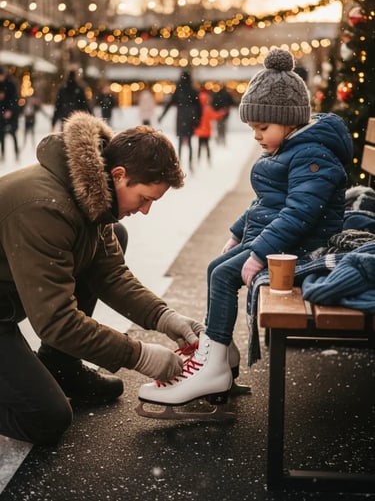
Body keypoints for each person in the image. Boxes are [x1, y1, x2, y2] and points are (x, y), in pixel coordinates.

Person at [138, 48, 354, 410]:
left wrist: (256, 252)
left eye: (262, 128)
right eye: (253, 128)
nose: (256, 136)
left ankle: (214, 366)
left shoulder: (312, 155)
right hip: (278, 239)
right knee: (215, 268)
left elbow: (300, 214)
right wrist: (239, 233)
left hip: (303, 246)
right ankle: (221, 355)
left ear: (290, 121)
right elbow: (265, 203)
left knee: (225, 275)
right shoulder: (286, 149)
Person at [0, 111, 205, 445]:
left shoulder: (92, 196)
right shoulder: (44, 208)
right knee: (44, 418)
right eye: (145, 199)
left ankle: (60, 366)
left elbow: (111, 274)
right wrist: (138, 355)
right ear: (119, 175)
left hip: (6, 302)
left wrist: (164, 317)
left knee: (115, 237)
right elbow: (56, 321)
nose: (145, 211)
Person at [158, 71, 201, 171]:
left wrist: (162, 116)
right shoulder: (193, 90)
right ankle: (190, 164)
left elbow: (169, 103)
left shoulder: (179, 90)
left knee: (181, 142)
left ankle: (179, 163)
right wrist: (198, 119)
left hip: (181, 118)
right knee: (189, 142)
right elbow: (199, 107)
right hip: (190, 118)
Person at [194, 89, 226, 162]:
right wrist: (221, 113)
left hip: (199, 131)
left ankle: (198, 159)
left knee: (199, 146)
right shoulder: (208, 109)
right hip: (207, 131)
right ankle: (208, 159)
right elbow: (215, 116)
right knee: (207, 146)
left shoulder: (197, 109)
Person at [0, 65, 20, 159]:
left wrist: (10, 111)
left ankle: (16, 153)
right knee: (1, 135)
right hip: (1, 114)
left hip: (11, 114)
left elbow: (14, 100)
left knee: (13, 134)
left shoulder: (11, 84)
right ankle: (3, 154)